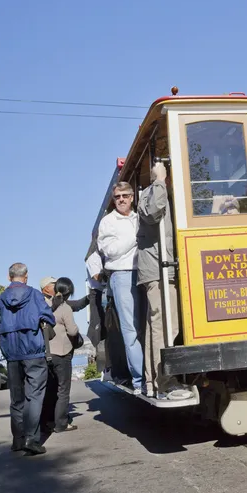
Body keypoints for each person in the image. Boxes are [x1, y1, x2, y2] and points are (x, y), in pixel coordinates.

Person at [137, 162, 192, 400]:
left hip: (173, 267)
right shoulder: (148, 193)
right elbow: (152, 213)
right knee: (164, 325)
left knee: (166, 324)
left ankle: (158, 380)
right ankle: (164, 382)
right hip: (158, 270)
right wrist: (158, 181)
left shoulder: (173, 193)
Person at [0, 263, 55, 455]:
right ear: (26, 276)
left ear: (9, 276)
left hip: (11, 352)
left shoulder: (1, 299)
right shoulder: (35, 295)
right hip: (33, 350)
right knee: (34, 395)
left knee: (17, 398)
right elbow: (48, 317)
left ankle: (18, 439)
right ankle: (32, 438)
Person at [97, 182, 144, 392]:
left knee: (148, 326)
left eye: (126, 195)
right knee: (130, 329)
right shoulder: (108, 222)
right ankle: (139, 380)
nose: (122, 199)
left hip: (146, 272)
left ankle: (151, 375)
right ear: (114, 200)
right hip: (122, 275)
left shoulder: (139, 217)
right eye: (118, 197)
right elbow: (111, 251)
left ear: (132, 197)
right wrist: (136, 238)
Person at [42, 277, 81, 434]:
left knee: (50, 389)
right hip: (63, 353)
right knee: (63, 390)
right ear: (69, 292)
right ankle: (61, 423)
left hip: (48, 353)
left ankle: (48, 421)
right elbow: (72, 331)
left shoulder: (47, 305)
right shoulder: (64, 308)